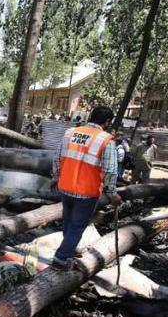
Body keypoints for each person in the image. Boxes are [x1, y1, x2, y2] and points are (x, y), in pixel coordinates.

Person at [51, 106, 121, 270]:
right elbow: (110, 170)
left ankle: (70, 247)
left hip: (66, 187)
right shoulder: (106, 139)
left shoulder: (71, 132)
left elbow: (57, 157)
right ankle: (60, 260)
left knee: (68, 221)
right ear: (107, 122)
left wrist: (55, 177)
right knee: (77, 226)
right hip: (86, 192)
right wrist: (112, 194)